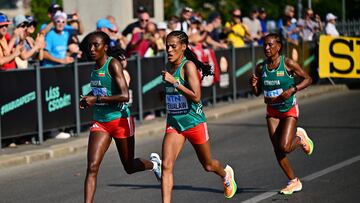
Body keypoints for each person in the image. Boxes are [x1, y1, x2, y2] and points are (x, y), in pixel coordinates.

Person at [79, 31, 161, 203]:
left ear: (105, 47)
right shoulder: (95, 67)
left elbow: (125, 96)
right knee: (92, 167)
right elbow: (100, 89)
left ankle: (155, 165)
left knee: (129, 167)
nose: (92, 49)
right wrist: (88, 97)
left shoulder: (113, 65)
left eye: (96, 45)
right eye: (90, 45)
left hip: (120, 121)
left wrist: (96, 98)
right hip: (101, 122)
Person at [159, 30, 237, 202]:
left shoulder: (188, 66)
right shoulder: (168, 66)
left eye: (173, 46)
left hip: (194, 122)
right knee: (166, 166)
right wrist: (164, 93)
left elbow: (196, 96)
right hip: (175, 123)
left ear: (183, 47)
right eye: (167, 46)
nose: (169, 50)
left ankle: (225, 174)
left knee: (208, 165)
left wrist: (175, 83)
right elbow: (171, 92)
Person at [250, 33, 314, 195]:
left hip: (288, 109)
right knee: (277, 149)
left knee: (284, 146)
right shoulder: (261, 67)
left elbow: (308, 79)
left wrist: (293, 89)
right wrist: (254, 85)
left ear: (279, 46)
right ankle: (294, 181)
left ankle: (299, 139)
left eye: (270, 45)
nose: (267, 48)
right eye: (265, 45)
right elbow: (257, 93)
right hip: (272, 112)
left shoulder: (288, 63)